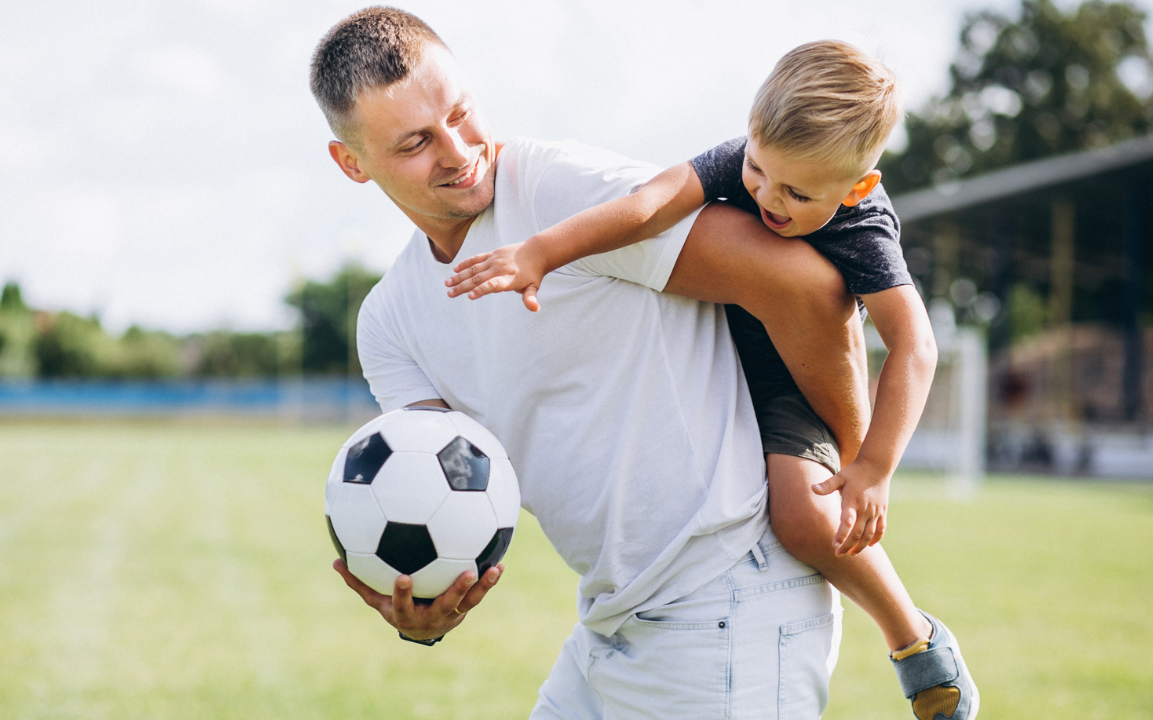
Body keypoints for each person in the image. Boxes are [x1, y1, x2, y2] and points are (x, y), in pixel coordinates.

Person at [312, 8, 869, 718]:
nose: (457, 151)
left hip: (731, 598)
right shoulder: (390, 321)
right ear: (352, 162)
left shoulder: (556, 193)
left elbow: (807, 288)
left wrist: (851, 460)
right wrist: (425, 603)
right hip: (613, 618)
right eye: (417, 142)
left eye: (462, 113)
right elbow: (435, 488)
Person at [444, 42, 978, 720]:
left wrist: (874, 465)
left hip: (786, 387)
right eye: (758, 170)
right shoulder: (744, 158)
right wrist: (542, 251)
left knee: (804, 516)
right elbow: (649, 205)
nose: (766, 197)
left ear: (857, 188)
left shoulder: (864, 225)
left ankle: (914, 637)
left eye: (796, 192)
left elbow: (915, 345)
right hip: (712, 363)